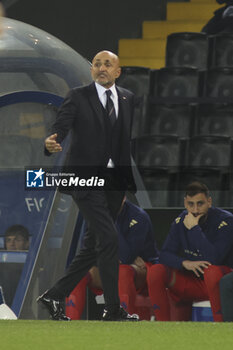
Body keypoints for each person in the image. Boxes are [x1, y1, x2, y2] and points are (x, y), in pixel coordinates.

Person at [37, 50, 139, 321]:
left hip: (114, 184)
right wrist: (51, 142)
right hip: (84, 180)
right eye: (97, 64)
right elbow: (61, 127)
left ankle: (54, 295)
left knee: (92, 246)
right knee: (108, 238)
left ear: (118, 71)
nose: (101, 68)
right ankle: (113, 309)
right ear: (92, 70)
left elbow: (122, 143)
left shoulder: (128, 98)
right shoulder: (78, 95)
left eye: (107, 64)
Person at [147, 181, 233, 322]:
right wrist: (184, 263)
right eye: (190, 204)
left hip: (218, 284)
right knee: (156, 271)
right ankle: (161, 325)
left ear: (209, 202)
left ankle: (220, 325)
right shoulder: (181, 221)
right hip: (191, 282)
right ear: (185, 203)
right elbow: (164, 255)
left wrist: (194, 229)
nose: (195, 210)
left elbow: (214, 259)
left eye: (200, 204)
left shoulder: (226, 221)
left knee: (212, 271)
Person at [66, 198, 159, 320]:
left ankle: (122, 323)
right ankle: (69, 325)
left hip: (144, 270)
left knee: (123, 272)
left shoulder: (139, 216)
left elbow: (127, 256)